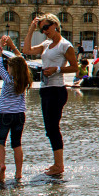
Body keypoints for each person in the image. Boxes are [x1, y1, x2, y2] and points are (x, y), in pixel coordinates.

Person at [26, 14, 77, 177]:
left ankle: (59, 165)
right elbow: (26, 50)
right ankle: (57, 163)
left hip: (57, 90)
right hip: (45, 88)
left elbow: (75, 67)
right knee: (49, 128)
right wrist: (31, 29)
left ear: (55, 25)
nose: (44, 31)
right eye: (42, 29)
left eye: (46, 27)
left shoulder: (65, 46)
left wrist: (57, 69)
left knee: (53, 127)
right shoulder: (46, 44)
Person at [0, 35, 31, 184]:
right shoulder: (24, 79)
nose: (7, 68)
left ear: (11, 68)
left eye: (9, 66)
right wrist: (13, 46)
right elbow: (23, 62)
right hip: (20, 115)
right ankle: (18, 173)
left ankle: (2, 166)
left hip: (6, 114)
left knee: (0, 141)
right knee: (17, 143)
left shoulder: (8, 80)